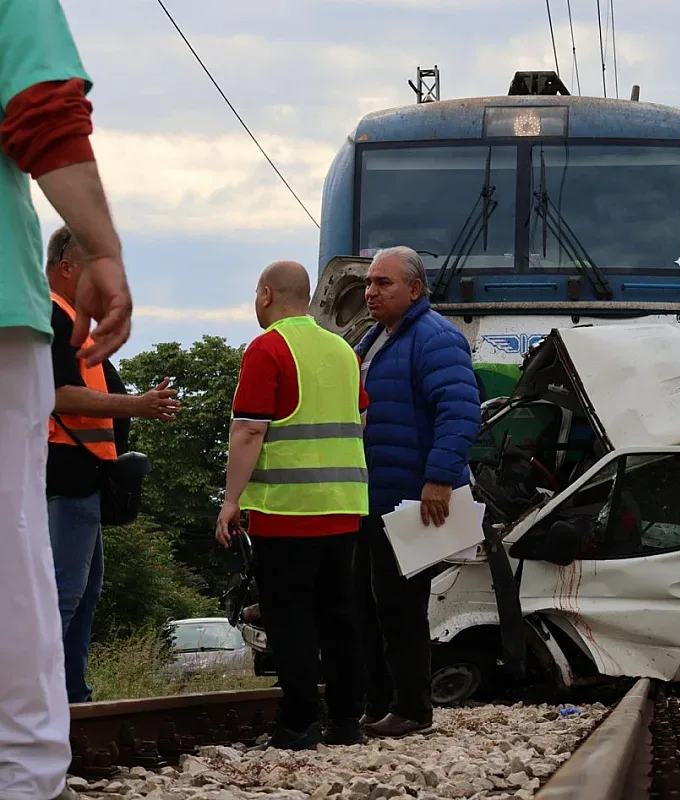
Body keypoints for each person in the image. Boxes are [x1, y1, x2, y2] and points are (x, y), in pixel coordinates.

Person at [0, 3, 133, 798]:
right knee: (16, 555)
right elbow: (45, 113)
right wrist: (106, 248)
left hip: (84, 480)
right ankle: (22, 774)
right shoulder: (53, 315)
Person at [215, 261, 371, 750]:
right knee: (340, 616)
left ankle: (299, 724)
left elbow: (250, 429)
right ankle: (347, 722)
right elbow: (361, 417)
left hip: (286, 510)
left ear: (266, 294)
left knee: (291, 617)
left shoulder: (267, 348)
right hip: (344, 505)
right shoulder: (343, 349)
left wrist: (231, 500)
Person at [44, 225, 180, 705]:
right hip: (66, 476)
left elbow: (106, 395)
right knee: (63, 596)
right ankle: (35, 702)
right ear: (66, 267)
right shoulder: (54, 318)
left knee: (82, 596)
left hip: (84, 479)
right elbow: (59, 394)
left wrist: (143, 403)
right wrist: (140, 405)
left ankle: (71, 697)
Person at [355, 246, 481, 738]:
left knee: (400, 610)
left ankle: (413, 708)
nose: (370, 291)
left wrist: (440, 478)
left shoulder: (435, 338)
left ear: (415, 288)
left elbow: (460, 410)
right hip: (375, 497)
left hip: (410, 499)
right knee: (371, 606)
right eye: (369, 282)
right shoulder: (377, 339)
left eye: (383, 283)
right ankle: (379, 703)